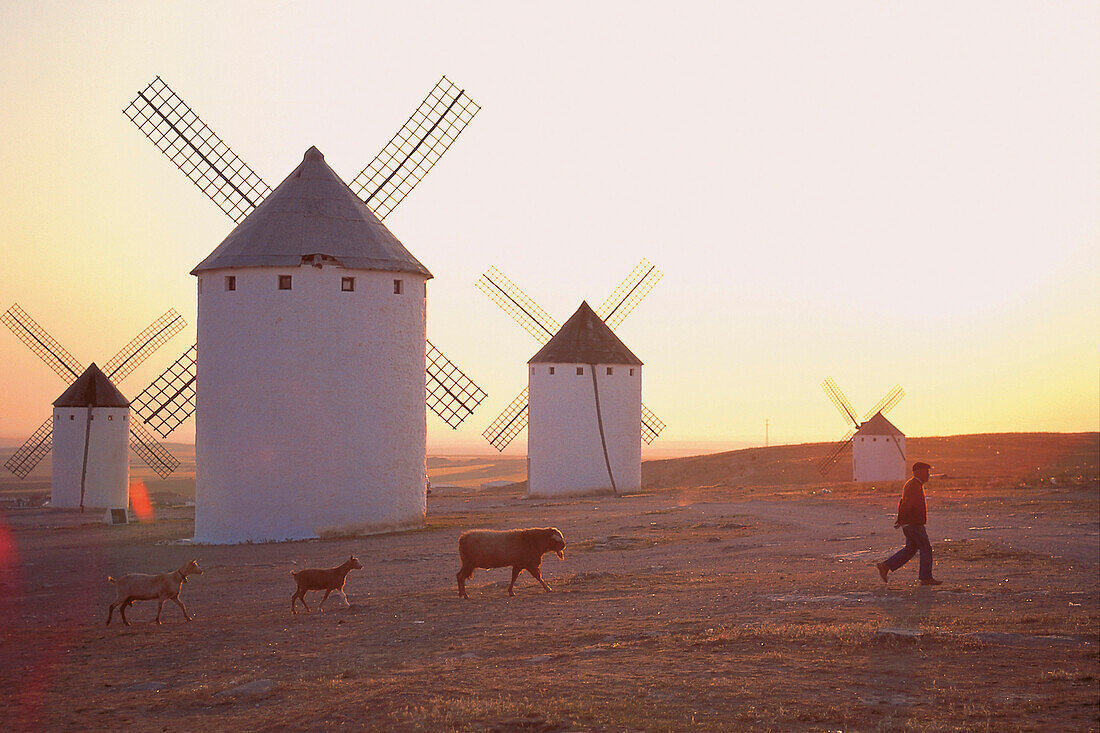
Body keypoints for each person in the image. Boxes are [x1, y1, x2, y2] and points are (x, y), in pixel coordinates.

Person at [876, 461, 942, 585]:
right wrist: (901, 519)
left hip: (910, 523)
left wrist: (901, 519)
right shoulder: (914, 485)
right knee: (926, 548)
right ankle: (926, 577)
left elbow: (902, 502)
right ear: (918, 472)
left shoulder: (913, 484)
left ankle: (885, 566)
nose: (928, 475)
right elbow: (906, 504)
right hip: (914, 524)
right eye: (926, 472)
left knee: (911, 549)